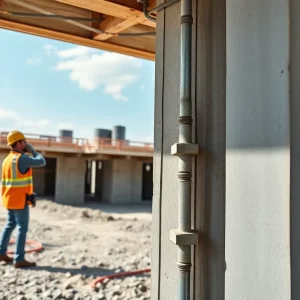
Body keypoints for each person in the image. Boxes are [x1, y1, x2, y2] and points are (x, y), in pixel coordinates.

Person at [0, 130, 46, 268]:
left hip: (8, 199)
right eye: (24, 142)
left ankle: (1, 253)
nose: (26, 144)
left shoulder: (7, 159)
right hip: (19, 200)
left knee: (10, 225)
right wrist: (33, 151)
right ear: (19, 144)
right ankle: (19, 259)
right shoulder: (22, 158)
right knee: (22, 228)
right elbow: (41, 161)